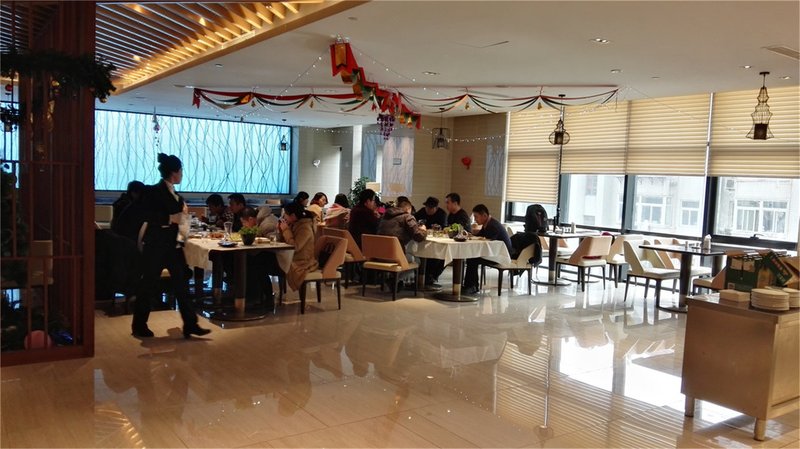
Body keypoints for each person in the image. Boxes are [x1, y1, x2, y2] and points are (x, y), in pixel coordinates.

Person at [132, 153, 210, 339]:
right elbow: (144, 215)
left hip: (173, 246)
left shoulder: (177, 196)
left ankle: (190, 324)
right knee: (148, 284)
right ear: (174, 172)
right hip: (156, 245)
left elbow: (181, 221)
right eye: (181, 171)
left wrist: (182, 224)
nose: (182, 174)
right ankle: (139, 325)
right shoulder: (153, 191)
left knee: (182, 285)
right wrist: (169, 218)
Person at [377, 199, 427, 289]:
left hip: (379, 255)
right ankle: (397, 280)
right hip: (394, 256)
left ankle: (394, 280)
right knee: (416, 260)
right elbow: (418, 236)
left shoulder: (384, 216)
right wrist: (423, 230)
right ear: (408, 209)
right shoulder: (407, 217)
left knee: (407, 255)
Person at [462, 204, 512, 295]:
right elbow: (481, 235)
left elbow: (489, 241)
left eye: (476, 217)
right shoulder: (488, 223)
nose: (475, 220)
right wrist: (470, 235)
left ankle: (472, 286)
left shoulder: (493, 225)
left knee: (472, 258)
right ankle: (471, 285)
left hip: (501, 255)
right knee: (472, 257)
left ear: (484, 215)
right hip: (494, 252)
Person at [240, 207, 280, 307]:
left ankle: (262, 297)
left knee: (254, 264)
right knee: (251, 260)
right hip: (270, 254)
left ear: (250, 219)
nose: (244, 226)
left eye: (244, 223)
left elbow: (274, 244)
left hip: (280, 258)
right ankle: (254, 295)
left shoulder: (267, 224)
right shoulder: (260, 222)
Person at [277, 201, 318, 291]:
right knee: (265, 262)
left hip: (302, 262)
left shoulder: (305, 228)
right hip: (291, 257)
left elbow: (294, 247)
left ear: (293, 216)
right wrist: (281, 230)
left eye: (285, 214)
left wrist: (286, 230)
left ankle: (266, 295)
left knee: (265, 264)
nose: (284, 217)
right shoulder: (294, 224)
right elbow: (284, 242)